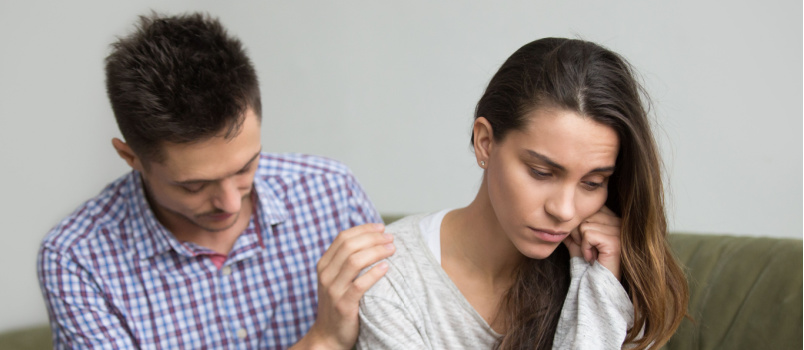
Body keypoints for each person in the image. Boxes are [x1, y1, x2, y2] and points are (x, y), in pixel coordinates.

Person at [37, 12, 395, 349]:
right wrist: (323, 341)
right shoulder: (75, 258)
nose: (230, 202)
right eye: (194, 185)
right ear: (131, 157)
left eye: (245, 168)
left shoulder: (330, 191)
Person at [356, 38, 689, 349]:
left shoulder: (607, 270)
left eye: (592, 182)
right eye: (541, 173)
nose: (564, 210)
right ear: (485, 142)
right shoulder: (391, 278)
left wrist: (600, 291)